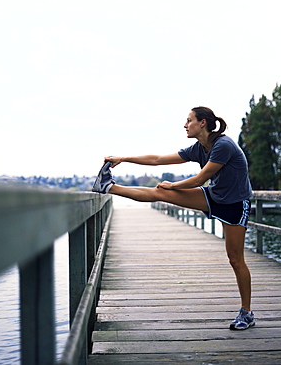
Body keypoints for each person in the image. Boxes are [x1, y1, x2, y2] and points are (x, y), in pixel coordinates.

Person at [92, 106, 255, 330]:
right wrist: (124, 158)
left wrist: (174, 185)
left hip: (236, 204)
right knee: (161, 193)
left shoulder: (223, 145)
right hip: (214, 196)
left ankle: (247, 313)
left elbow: (200, 178)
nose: (185, 124)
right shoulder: (199, 148)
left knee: (235, 260)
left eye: (189, 120)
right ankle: (109, 187)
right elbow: (158, 159)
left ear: (203, 123)